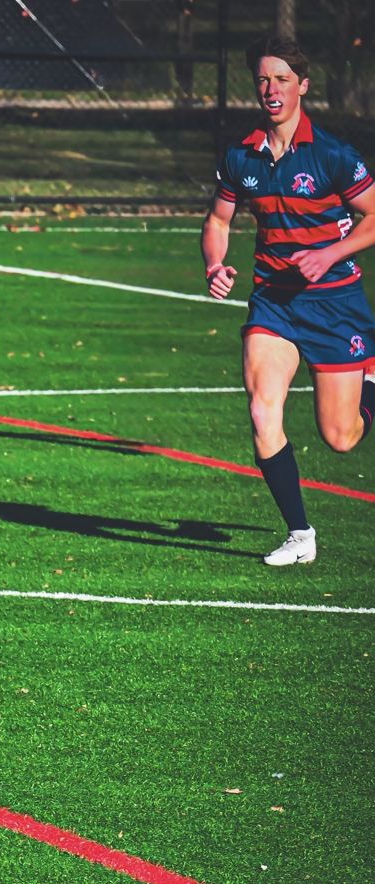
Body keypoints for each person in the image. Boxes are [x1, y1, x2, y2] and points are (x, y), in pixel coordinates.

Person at [201, 34, 375, 566]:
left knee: (341, 438)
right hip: (273, 303)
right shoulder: (241, 155)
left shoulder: (332, 155)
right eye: (262, 79)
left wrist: (330, 254)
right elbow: (218, 221)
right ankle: (300, 535)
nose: (271, 89)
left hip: (334, 304)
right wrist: (214, 264)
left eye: (281, 79)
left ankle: (371, 380)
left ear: (303, 86)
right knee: (262, 410)